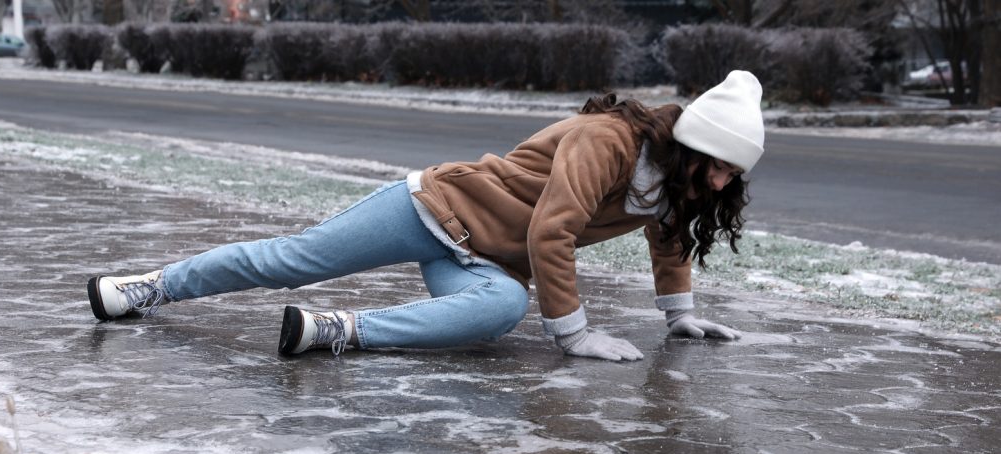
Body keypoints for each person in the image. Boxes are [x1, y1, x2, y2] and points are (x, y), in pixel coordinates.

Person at [87, 70, 765, 362]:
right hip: (433, 207)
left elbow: (670, 232)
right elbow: (552, 230)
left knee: (499, 311)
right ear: (689, 145)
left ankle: (337, 331)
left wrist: (679, 315)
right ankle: (150, 286)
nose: (723, 180)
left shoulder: (675, 181)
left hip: (484, 260)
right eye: (719, 164)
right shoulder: (609, 141)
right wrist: (575, 334)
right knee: (291, 261)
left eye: (734, 172)